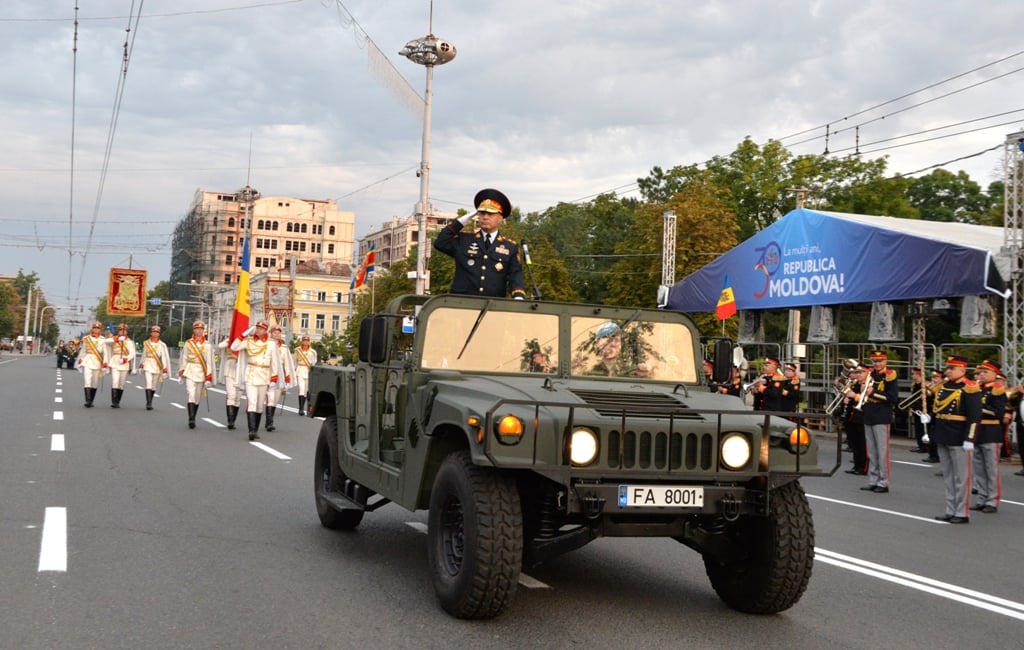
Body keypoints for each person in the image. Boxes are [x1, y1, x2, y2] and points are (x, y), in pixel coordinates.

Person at [433, 188, 527, 299]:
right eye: (482, 213)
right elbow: (440, 242)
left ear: (500, 218)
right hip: (461, 303)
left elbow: (515, 275)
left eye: (490, 213)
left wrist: (518, 296)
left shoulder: (510, 247)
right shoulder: (464, 240)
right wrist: (461, 221)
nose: (485, 217)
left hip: (493, 304)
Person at [930, 355, 982, 523]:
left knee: (961, 477)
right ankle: (950, 509)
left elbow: (974, 416)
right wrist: (929, 418)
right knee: (948, 476)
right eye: (948, 368)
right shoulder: (944, 386)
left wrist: (970, 438)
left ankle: (961, 512)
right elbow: (938, 409)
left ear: (962, 370)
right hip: (943, 434)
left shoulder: (970, 388)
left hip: (959, 436)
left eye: (952, 368)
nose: (948, 371)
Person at [848, 350, 898, 494]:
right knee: (871, 451)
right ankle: (873, 480)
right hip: (869, 414)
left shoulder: (889, 376)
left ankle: (883, 482)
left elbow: (892, 398)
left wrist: (873, 393)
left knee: (882, 451)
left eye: (880, 361)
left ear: (885, 361)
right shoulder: (869, 374)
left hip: (882, 415)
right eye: (875, 361)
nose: (877, 364)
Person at [231, 320, 280, 441]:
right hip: (251, 374)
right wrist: (243, 335)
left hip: (264, 375)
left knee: (259, 405)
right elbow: (233, 347)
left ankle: (256, 429)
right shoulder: (249, 341)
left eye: (261, 328)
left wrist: (274, 378)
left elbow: (275, 362)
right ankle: (251, 430)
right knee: (252, 402)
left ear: (266, 330)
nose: (258, 330)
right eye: (257, 328)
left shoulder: (271, 344)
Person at [970, 359, 1005, 514]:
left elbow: (998, 412)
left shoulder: (997, 390)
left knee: (991, 469)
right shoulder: (977, 389)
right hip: (977, 431)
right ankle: (982, 498)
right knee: (979, 469)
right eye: (981, 372)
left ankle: (992, 500)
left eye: (986, 372)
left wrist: (978, 407)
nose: (982, 374)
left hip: (991, 431)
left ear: (994, 374)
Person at [178, 321, 215, 430]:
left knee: (197, 397)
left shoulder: (207, 345)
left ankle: (193, 416)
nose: (199, 331)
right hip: (190, 369)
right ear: (194, 330)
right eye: (197, 329)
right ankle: (191, 419)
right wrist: (181, 372)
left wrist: (209, 376)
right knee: (191, 393)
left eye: (201, 329)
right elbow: (184, 357)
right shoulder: (188, 343)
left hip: (201, 371)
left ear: (203, 331)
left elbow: (209, 362)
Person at [840, 364, 869, 475]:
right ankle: (856, 466)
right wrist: (846, 398)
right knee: (854, 443)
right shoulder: (855, 384)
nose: (858, 375)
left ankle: (863, 467)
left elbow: (867, 400)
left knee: (862, 444)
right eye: (857, 373)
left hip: (862, 417)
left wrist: (854, 396)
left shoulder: (868, 384)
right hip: (851, 417)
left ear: (867, 373)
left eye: (861, 372)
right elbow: (850, 396)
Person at [264, 325, 293, 432]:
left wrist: (287, 377)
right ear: (270, 334)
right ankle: (269, 422)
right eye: (274, 332)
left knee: (275, 399)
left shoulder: (284, 348)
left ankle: (269, 420)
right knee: (270, 398)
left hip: (280, 375)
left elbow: (287, 364)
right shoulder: (266, 344)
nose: (277, 334)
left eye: (279, 333)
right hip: (268, 373)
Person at [77, 322, 109, 408]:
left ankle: (91, 400)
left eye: (98, 328)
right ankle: (87, 401)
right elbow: (83, 350)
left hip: (97, 362)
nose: (96, 329)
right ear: (92, 329)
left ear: (100, 330)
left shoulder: (103, 340)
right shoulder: (86, 338)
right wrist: (80, 358)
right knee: (87, 381)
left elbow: (105, 353)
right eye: (94, 328)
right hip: (87, 360)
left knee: (94, 383)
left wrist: (105, 362)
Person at [139, 325, 170, 410]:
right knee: (148, 383)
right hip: (148, 363)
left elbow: (163, 357)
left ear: (159, 334)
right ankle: (148, 403)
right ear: (151, 333)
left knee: (154, 385)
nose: (155, 334)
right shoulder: (146, 343)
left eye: (157, 332)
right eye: (154, 332)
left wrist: (165, 368)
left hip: (157, 365)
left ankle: (150, 401)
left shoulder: (162, 345)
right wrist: (141, 364)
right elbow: (144, 354)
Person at [107, 323, 135, 408]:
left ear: (126, 332)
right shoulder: (114, 339)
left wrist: (126, 359)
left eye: (124, 330)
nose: (122, 332)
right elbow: (106, 342)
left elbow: (132, 353)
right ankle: (114, 402)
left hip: (124, 363)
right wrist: (117, 339)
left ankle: (118, 400)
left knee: (121, 384)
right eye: (121, 330)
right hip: (115, 361)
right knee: (115, 381)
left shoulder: (129, 342)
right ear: (118, 331)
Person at [217, 335, 242, 429]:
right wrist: (231, 341)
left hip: (241, 372)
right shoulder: (229, 340)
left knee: (237, 397)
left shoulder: (246, 341)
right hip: (230, 370)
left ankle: (233, 420)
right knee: (231, 395)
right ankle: (230, 421)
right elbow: (220, 346)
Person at [294, 335, 317, 416]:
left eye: (307, 340)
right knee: (301, 389)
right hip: (300, 369)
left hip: (308, 371)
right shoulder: (297, 350)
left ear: (309, 341)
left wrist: (313, 371)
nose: (306, 342)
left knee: (307, 390)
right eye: (304, 340)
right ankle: (301, 409)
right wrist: (294, 371)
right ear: (302, 341)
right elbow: (295, 361)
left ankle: (308, 408)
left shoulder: (313, 352)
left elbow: (314, 362)